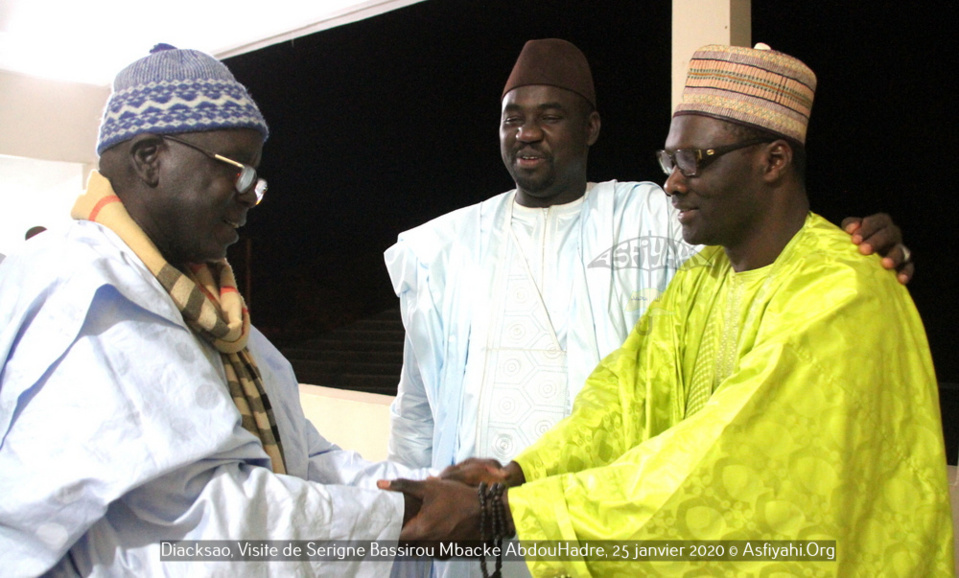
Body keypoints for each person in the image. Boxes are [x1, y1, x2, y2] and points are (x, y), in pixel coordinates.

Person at [382, 44, 953, 576]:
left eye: (695, 159)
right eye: (669, 159)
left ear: (774, 160)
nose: (674, 184)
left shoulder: (838, 295)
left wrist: (509, 513)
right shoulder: (704, 276)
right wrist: (519, 474)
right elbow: (625, 401)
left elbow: (721, 463)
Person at [0, 45, 428, 577]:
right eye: (238, 171)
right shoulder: (89, 298)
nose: (251, 197)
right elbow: (207, 530)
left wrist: (428, 490)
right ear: (150, 157)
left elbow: (306, 460)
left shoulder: (217, 314)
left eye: (257, 179)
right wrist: (411, 518)